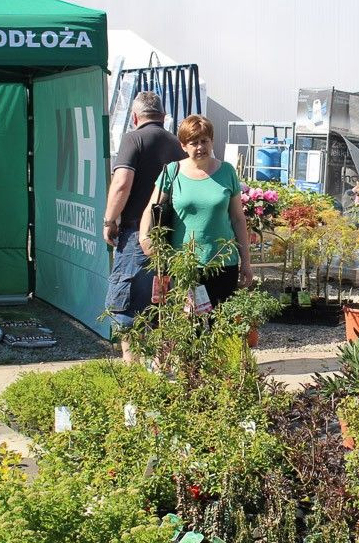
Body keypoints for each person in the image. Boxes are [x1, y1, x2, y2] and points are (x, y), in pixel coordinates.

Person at [138, 114, 253, 312]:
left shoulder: (227, 172)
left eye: (204, 141)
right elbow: (151, 208)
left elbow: (237, 218)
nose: (200, 147)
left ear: (212, 141)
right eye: (193, 143)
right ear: (183, 146)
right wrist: (144, 239)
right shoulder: (172, 172)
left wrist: (246, 261)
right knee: (189, 327)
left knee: (220, 326)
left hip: (223, 262)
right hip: (184, 264)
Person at [103, 91, 186, 362]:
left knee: (128, 306)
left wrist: (109, 220)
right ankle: (162, 367)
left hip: (138, 234)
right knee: (163, 304)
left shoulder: (133, 139)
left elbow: (122, 184)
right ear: (163, 117)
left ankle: (133, 369)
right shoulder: (177, 144)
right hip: (171, 237)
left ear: (135, 116)